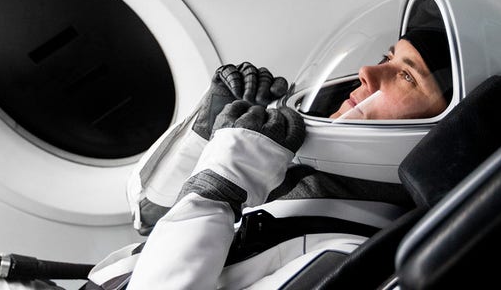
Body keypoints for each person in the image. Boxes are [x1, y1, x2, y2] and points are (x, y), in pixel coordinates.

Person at [85, 28, 454, 289]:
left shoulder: (343, 255)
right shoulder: (301, 169)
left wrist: (221, 183)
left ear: (437, 132)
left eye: (406, 75)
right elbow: (149, 213)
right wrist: (205, 133)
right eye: (386, 57)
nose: (368, 72)